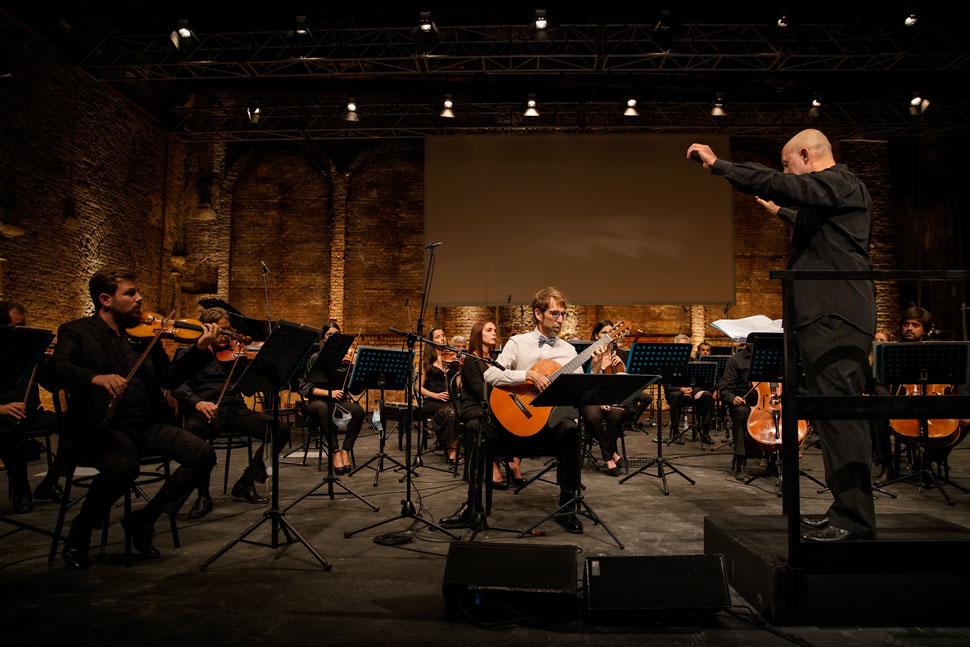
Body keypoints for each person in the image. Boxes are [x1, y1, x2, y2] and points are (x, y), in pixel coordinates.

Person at [689, 129, 877, 542]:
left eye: (789, 166)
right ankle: (844, 511)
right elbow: (826, 232)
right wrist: (783, 214)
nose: (786, 174)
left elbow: (781, 185)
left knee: (841, 419)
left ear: (806, 156)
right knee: (831, 419)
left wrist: (718, 166)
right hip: (828, 319)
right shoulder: (836, 194)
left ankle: (856, 521)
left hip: (836, 318)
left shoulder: (839, 181)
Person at [51, 267, 218, 570]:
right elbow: (57, 370)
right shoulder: (77, 331)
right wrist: (95, 378)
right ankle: (80, 531)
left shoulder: (142, 336)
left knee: (202, 454)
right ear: (105, 299)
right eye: (130, 293)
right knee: (124, 466)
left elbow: (169, 378)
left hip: (146, 425)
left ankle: (143, 519)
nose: (140, 298)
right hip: (101, 429)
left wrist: (200, 350)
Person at [481, 287, 584, 533]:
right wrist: (526, 375)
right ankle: (475, 507)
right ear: (538, 313)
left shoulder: (569, 351)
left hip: (548, 425)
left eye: (563, 315)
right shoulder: (518, 343)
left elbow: (579, 387)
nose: (560, 320)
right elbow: (490, 373)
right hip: (515, 423)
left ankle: (568, 507)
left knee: (570, 431)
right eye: (555, 313)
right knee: (479, 430)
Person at [172, 307, 291, 519]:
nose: (227, 335)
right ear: (207, 328)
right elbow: (177, 385)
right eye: (222, 330)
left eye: (229, 330)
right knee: (194, 431)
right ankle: (203, 495)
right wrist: (198, 403)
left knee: (279, 429)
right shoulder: (188, 353)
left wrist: (253, 367)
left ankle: (246, 482)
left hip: (235, 410)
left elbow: (248, 388)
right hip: (205, 412)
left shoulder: (236, 353)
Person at [441, 319, 499, 529]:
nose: (494, 333)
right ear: (478, 334)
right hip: (474, 411)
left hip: (488, 412)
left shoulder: (492, 360)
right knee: (476, 428)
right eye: (489, 330)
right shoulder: (472, 360)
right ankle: (472, 504)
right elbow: (483, 393)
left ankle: (474, 502)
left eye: (495, 330)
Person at [299, 320, 364, 475]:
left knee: (358, 411)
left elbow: (355, 391)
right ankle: (335, 451)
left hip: (337, 404)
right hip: (317, 403)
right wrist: (330, 393)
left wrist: (356, 368)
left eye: (336, 334)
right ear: (324, 338)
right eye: (329, 334)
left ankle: (345, 450)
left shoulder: (346, 361)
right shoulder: (316, 358)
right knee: (323, 408)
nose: (333, 337)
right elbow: (305, 388)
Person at [581, 320, 632, 476]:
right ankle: (611, 455)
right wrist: (596, 366)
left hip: (615, 400)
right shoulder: (588, 355)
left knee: (616, 414)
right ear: (597, 335)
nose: (609, 335)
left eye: (611, 332)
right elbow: (585, 385)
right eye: (604, 332)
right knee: (593, 415)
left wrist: (623, 368)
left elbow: (626, 387)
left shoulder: (621, 354)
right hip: (592, 400)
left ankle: (609, 453)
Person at [664, 333, 715, 446]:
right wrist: (681, 389)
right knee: (677, 396)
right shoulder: (668, 361)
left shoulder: (693, 361)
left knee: (707, 396)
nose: (683, 349)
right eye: (681, 346)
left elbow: (700, 382)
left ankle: (705, 432)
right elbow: (667, 386)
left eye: (686, 346)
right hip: (675, 393)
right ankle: (676, 432)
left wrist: (695, 391)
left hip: (692, 392)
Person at [718, 339, 757, 479]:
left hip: (766, 401)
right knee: (741, 413)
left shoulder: (769, 358)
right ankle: (741, 461)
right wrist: (732, 398)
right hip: (743, 402)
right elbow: (724, 389)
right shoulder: (735, 360)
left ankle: (779, 458)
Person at [420, 327, 460, 465]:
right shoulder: (426, 362)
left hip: (452, 399)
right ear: (430, 341)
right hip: (433, 400)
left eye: (443, 335)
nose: (442, 338)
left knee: (462, 410)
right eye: (437, 337)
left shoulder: (452, 357)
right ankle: (451, 451)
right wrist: (435, 395)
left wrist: (461, 368)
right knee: (451, 413)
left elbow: (459, 384)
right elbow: (417, 387)